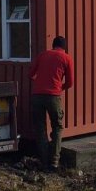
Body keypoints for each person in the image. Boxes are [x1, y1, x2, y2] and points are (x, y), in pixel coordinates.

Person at [29, 36, 74, 171]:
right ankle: (54, 162)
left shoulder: (42, 55)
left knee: (40, 128)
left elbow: (31, 74)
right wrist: (60, 87)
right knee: (57, 127)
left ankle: (44, 161)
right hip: (53, 96)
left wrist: (39, 82)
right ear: (64, 47)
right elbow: (70, 83)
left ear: (53, 45)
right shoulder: (66, 58)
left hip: (37, 96)